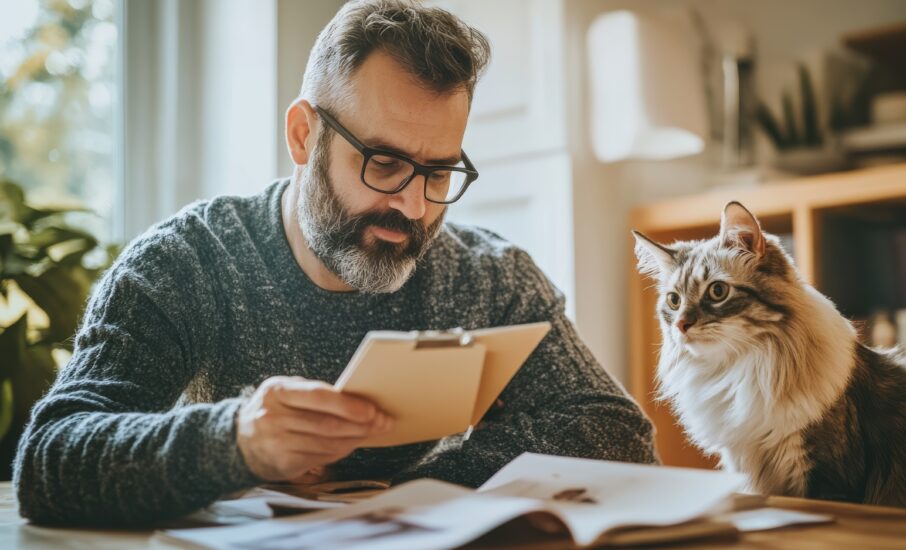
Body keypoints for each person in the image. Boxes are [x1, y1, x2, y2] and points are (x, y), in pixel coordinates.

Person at [14, 0, 657, 525]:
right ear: (303, 135)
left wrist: (417, 478)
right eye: (383, 163)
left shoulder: (491, 276)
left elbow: (618, 435)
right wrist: (238, 441)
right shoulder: (185, 264)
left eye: (438, 172)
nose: (411, 206)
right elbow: (49, 461)